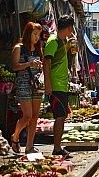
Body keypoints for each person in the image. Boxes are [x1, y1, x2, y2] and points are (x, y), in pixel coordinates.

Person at [43, 15, 74, 156]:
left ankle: (58, 147)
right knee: (59, 117)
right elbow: (46, 62)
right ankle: (57, 148)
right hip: (55, 85)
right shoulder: (53, 41)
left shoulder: (62, 42)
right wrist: (48, 84)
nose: (72, 30)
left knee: (62, 116)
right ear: (68, 28)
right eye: (71, 28)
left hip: (62, 85)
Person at [11, 22, 43, 154]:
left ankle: (29, 146)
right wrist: (30, 63)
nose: (36, 37)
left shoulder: (38, 49)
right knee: (27, 115)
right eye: (34, 34)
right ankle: (15, 136)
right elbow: (14, 66)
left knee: (35, 116)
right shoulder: (19, 48)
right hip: (24, 83)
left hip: (36, 85)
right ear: (28, 33)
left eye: (38, 35)